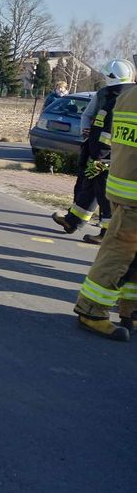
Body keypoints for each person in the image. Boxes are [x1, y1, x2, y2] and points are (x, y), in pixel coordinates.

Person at [72, 77, 137, 341]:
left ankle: (130, 310)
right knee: (119, 253)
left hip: (123, 187)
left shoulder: (127, 96)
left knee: (130, 256)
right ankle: (92, 311)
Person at [52, 60, 137, 244]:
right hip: (105, 153)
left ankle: (106, 232)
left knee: (105, 191)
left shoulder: (114, 98)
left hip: (106, 155)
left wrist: (100, 157)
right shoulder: (118, 95)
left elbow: (108, 131)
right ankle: (73, 220)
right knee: (91, 185)